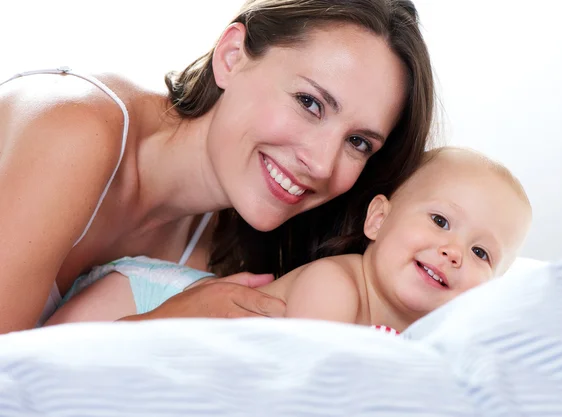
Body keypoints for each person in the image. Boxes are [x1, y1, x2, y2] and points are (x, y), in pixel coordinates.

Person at [0, 0, 435, 333]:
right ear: (231, 57)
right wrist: (158, 327)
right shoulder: (73, 129)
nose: (321, 164)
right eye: (310, 103)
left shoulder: (229, 256)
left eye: (358, 142)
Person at [46, 147, 532, 332]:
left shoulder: (430, 337)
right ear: (378, 220)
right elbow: (304, 380)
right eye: (441, 222)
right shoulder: (335, 287)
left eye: (481, 252)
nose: (453, 252)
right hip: (146, 296)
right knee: (40, 372)